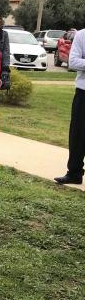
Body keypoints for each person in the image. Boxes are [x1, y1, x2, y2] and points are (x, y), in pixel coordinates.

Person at [54, 27, 85, 185]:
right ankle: (74, 173)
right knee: (78, 134)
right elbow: (73, 62)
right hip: (83, 92)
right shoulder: (81, 35)